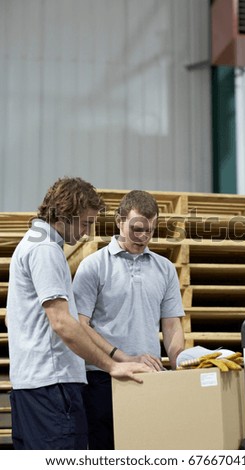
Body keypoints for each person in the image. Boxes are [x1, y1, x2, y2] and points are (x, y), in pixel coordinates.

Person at [6, 177, 151, 450]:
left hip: (31, 387)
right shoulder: (45, 249)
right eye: (85, 223)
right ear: (65, 214)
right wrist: (113, 366)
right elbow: (62, 323)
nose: (87, 232)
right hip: (53, 387)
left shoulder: (31, 244)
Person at [72, 189, 185, 449]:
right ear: (119, 221)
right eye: (136, 229)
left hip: (150, 377)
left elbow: (171, 326)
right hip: (102, 379)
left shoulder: (165, 268)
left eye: (150, 230)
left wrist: (182, 365)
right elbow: (80, 324)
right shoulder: (94, 266)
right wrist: (122, 357)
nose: (143, 237)